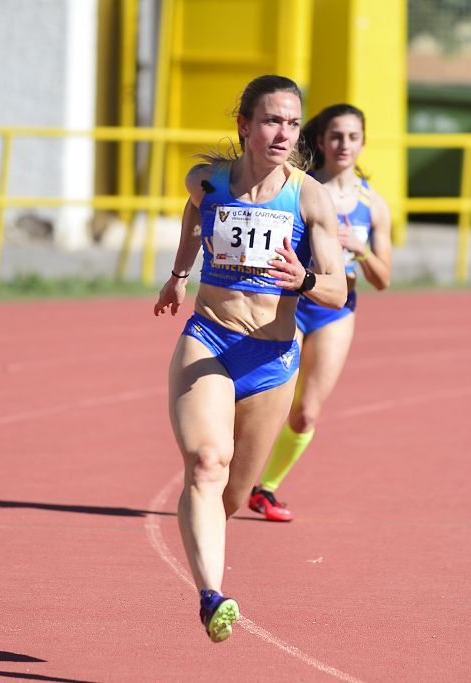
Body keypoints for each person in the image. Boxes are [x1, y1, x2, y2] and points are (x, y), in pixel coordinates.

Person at [153, 75, 346, 642]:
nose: (283, 132)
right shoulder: (208, 180)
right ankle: (212, 596)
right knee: (206, 464)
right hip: (209, 338)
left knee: (233, 495)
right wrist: (180, 273)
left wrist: (304, 277)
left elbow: (336, 290)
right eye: (270, 120)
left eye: (291, 122)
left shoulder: (310, 196)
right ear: (244, 125)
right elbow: (195, 211)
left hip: (272, 357)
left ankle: (212, 550)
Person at [248, 103, 392, 522]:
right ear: (321, 141)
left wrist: (361, 249)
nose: (343, 145)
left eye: (352, 137)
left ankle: (266, 488)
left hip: (336, 309)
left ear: (363, 142)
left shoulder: (374, 206)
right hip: (288, 304)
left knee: (306, 410)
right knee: (267, 399)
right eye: (335, 136)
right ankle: (228, 472)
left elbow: (383, 279)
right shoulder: (298, 187)